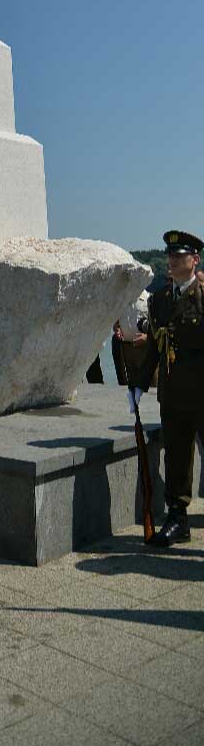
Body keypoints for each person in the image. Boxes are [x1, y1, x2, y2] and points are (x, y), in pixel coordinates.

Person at [131, 230, 204, 548]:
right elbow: (155, 348)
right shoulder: (159, 299)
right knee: (176, 457)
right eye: (170, 255)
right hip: (173, 393)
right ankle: (178, 519)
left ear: (195, 259)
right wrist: (139, 384)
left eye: (179, 256)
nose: (172, 260)